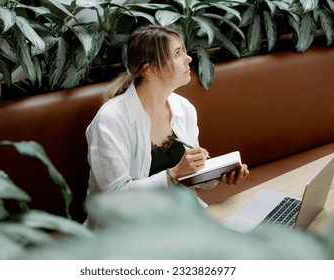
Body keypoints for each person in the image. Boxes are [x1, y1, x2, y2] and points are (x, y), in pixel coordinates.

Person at [84, 25, 249, 226]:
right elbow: (117, 197)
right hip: (128, 232)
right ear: (150, 69)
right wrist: (174, 174)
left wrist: (219, 174)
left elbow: (189, 175)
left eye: (185, 51)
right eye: (178, 53)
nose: (188, 59)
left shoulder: (184, 108)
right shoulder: (110, 119)